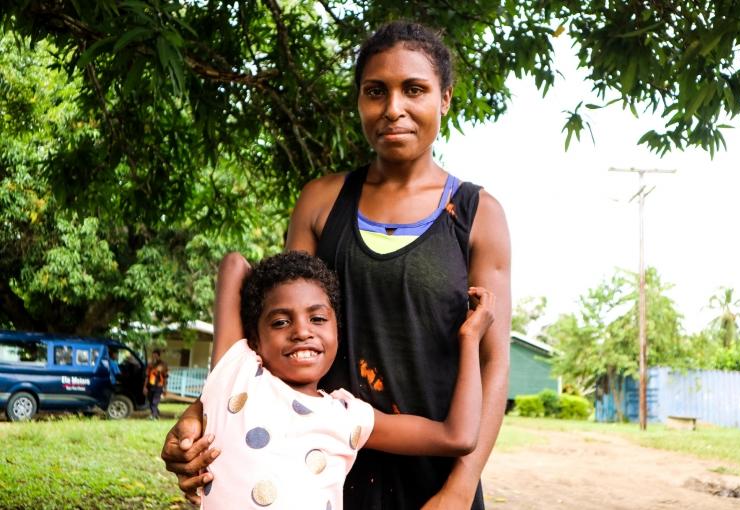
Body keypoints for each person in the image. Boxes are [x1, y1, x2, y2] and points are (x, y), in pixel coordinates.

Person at [163, 20, 510, 509]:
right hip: (317, 465)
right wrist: (201, 413)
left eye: (415, 90)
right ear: (359, 101)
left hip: (434, 470)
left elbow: (494, 362)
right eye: (375, 92)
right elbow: (272, 327)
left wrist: (457, 488)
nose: (394, 109)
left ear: (445, 98)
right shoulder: (323, 201)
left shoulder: (477, 214)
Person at [200, 251, 493, 509]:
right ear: (254, 339)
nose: (302, 331)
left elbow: (458, 437)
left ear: (337, 331)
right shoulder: (237, 372)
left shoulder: (347, 416)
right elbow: (233, 264)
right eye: (280, 321)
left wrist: (469, 339)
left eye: (317, 319)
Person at [144, 349, 169, 420]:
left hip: (159, 385)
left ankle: (153, 415)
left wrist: (165, 388)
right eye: (153, 356)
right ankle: (156, 414)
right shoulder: (150, 365)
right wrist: (145, 387)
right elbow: (147, 376)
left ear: (158, 356)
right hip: (150, 385)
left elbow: (165, 377)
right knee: (150, 401)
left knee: (155, 401)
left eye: (155, 356)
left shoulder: (163, 364)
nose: (154, 357)